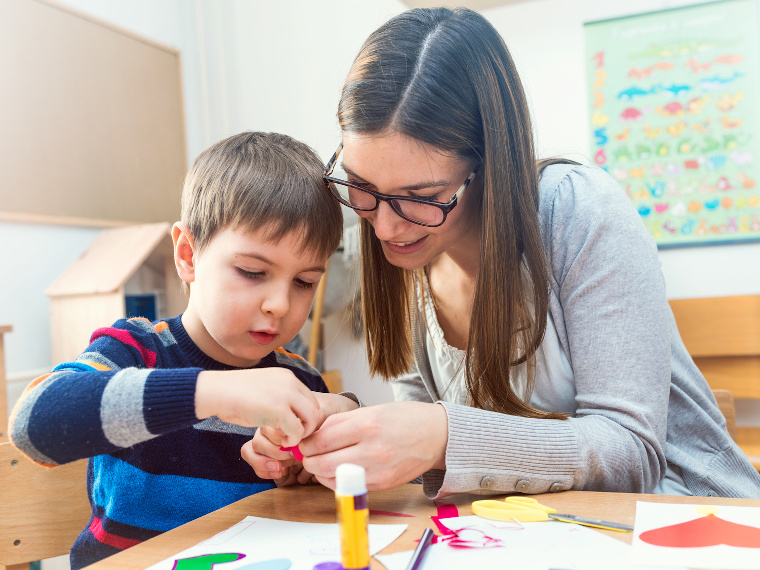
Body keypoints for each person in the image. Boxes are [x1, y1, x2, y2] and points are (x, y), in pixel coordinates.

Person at [244, 8, 760, 499]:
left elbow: (631, 453)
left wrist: (444, 436)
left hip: (685, 520)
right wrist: (340, 440)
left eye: (421, 197)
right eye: (360, 186)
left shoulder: (578, 210)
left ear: (491, 164)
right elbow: (426, 444)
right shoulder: (411, 247)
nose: (384, 224)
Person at [8, 131, 359, 568]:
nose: (281, 304)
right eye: (252, 271)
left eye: (305, 281)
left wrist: (325, 441)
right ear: (189, 255)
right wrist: (214, 393)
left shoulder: (300, 380)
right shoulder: (135, 350)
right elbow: (32, 423)